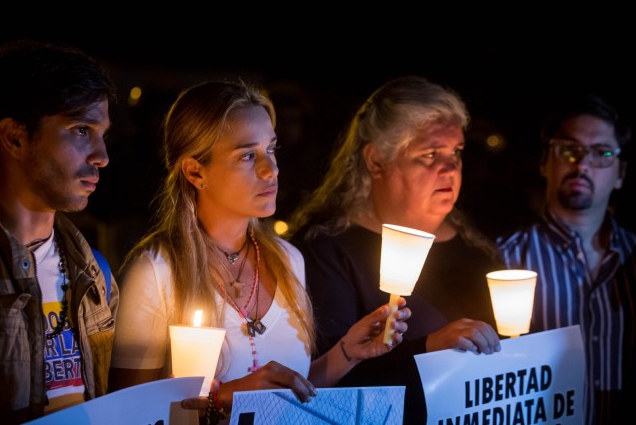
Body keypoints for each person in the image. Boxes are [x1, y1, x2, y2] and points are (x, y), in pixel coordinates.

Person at [109, 79, 411, 424]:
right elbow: (124, 414)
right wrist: (219, 398)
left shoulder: (287, 259)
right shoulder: (156, 272)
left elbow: (290, 395)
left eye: (272, 149)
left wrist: (347, 352)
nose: (271, 170)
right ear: (195, 171)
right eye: (248, 155)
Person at [287, 75, 502, 424]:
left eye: (456, 152)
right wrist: (430, 348)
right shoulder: (327, 252)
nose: (449, 168)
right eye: (429, 154)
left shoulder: (477, 252)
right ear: (376, 161)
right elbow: (324, 387)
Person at [0, 39, 118, 424]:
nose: (101, 156)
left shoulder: (95, 273)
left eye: (102, 134)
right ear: (15, 137)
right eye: (81, 130)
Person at [496, 91, 636, 424]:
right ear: (545, 162)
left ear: (620, 174)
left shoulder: (633, 258)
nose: (582, 164)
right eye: (568, 149)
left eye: (601, 153)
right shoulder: (504, 259)